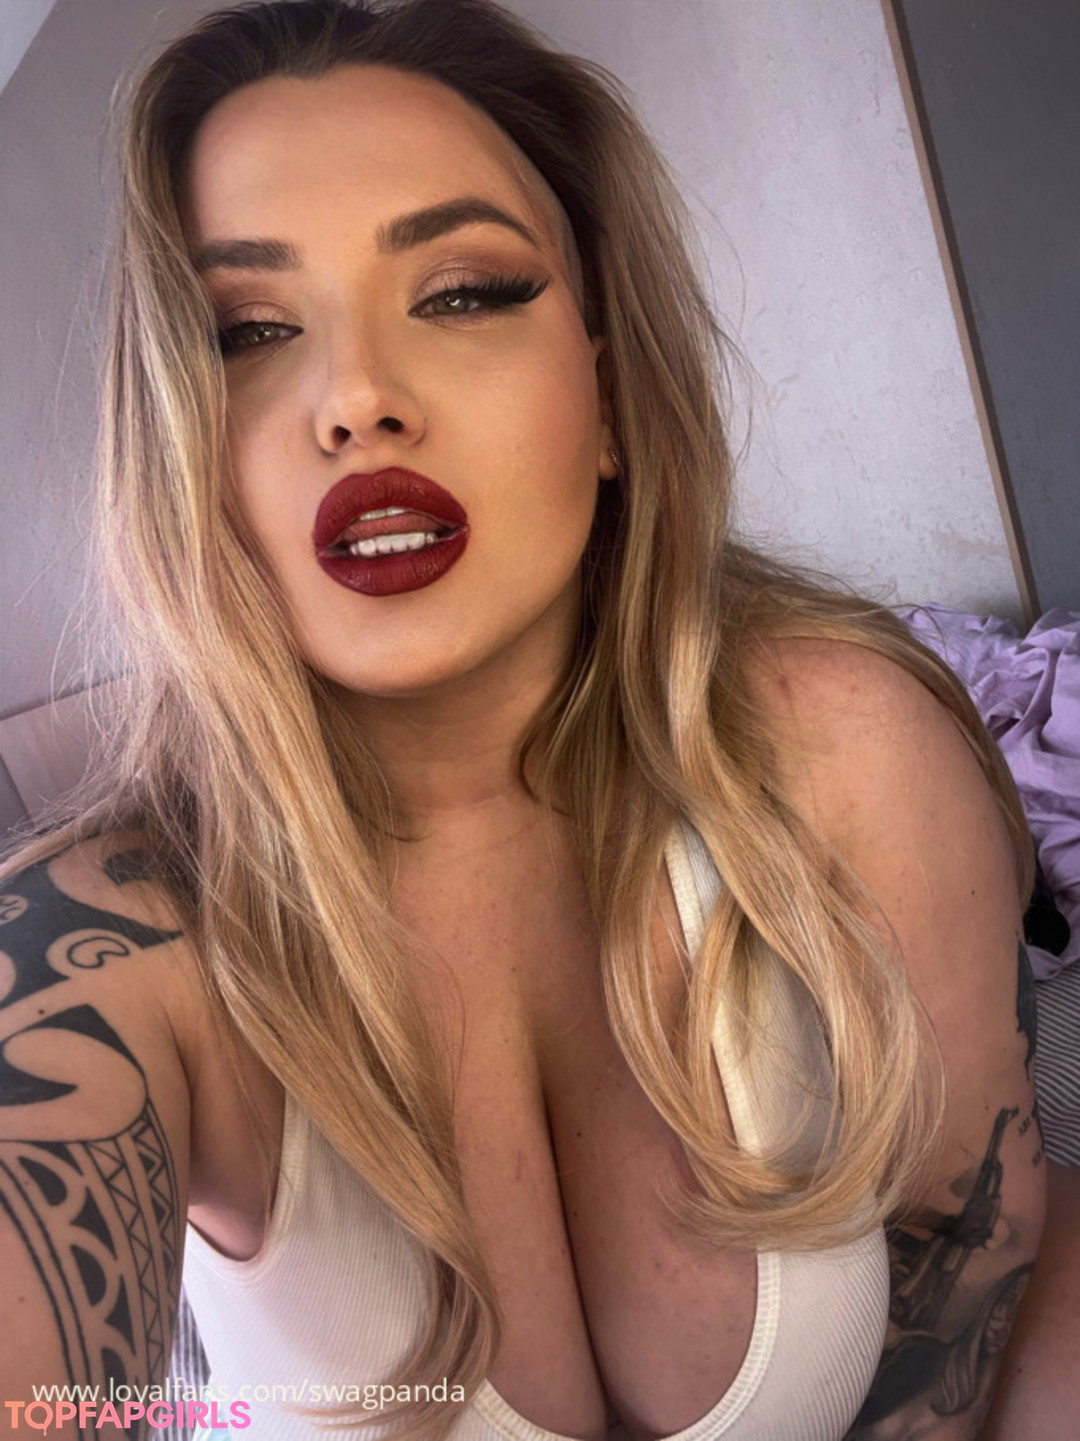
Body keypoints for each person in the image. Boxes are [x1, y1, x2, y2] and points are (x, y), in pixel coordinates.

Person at [0, 1, 1064, 1437]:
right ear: (177, 450)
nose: (357, 397)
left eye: (463, 293)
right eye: (246, 329)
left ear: (610, 398)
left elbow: (971, 1262)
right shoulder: (97, 954)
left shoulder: (851, 749)